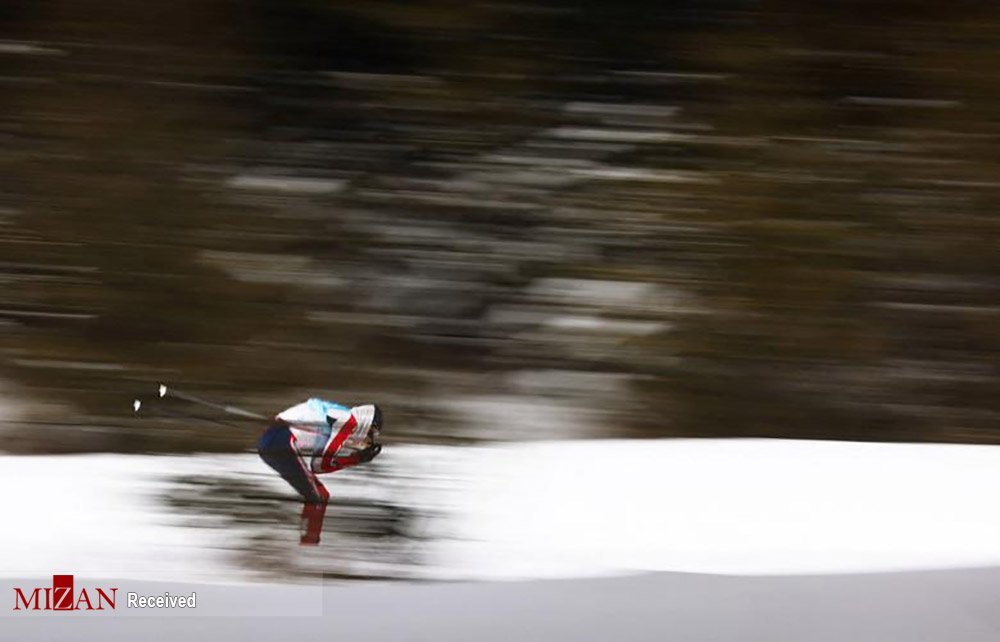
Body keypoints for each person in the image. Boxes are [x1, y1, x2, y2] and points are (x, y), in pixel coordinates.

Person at [257, 398, 383, 545]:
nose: (366, 439)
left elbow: (317, 466)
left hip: (271, 440)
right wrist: (356, 459)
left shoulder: (338, 417)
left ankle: (305, 540)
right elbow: (321, 465)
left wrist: (354, 458)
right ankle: (308, 544)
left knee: (316, 495)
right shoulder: (348, 422)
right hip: (281, 439)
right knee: (319, 496)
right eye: (370, 433)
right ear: (367, 423)